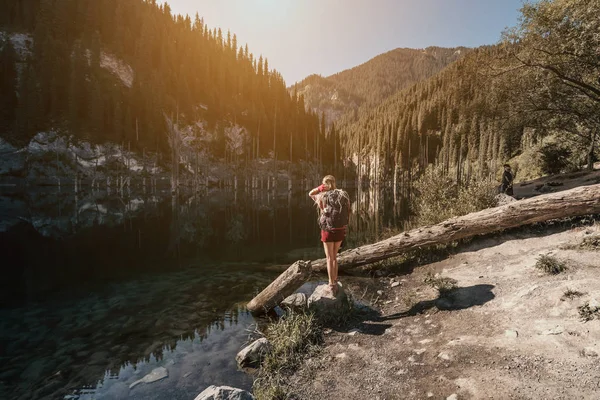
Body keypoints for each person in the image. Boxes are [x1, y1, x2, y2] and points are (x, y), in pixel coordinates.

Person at [309, 175, 350, 295]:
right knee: (335, 258)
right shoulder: (343, 195)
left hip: (327, 229)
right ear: (334, 183)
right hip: (340, 230)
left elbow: (310, 193)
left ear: (324, 184)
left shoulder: (322, 196)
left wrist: (320, 188)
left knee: (329, 258)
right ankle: (335, 281)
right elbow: (348, 211)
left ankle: (331, 284)